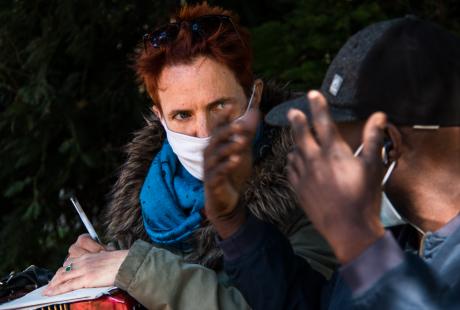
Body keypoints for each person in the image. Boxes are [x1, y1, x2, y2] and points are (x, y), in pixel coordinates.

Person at [43, 3, 337, 309]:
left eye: (220, 106)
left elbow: (297, 302)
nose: (205, 131)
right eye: (182, 115)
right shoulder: (149, 202)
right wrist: (97, 261)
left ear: (255, 95)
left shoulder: (313, 185)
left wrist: (137, 269)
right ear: (160, 117)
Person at [203, 16, 460, 309]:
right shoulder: (400, 238)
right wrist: (234, 223)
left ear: (388, 144)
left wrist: (357, 239)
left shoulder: (370, 245)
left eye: (333, 146)